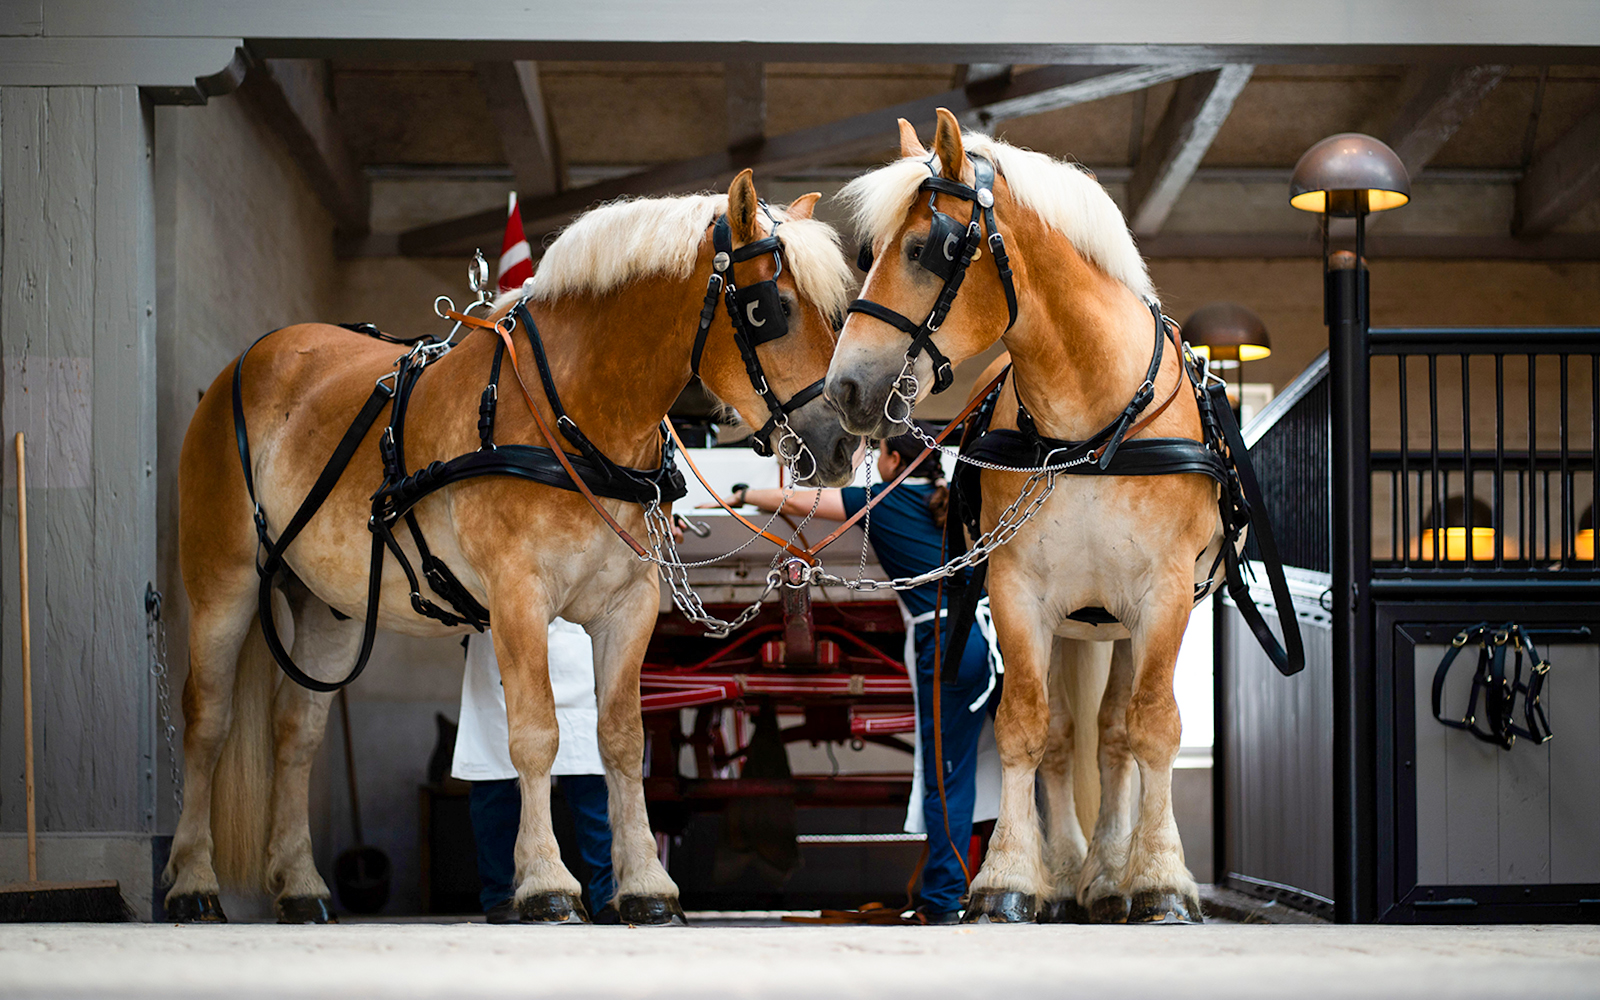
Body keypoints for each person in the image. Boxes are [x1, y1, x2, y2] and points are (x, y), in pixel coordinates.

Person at [703, 432, 1003, 923]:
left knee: (946, 779)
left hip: (947, 644)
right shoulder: (951, 501)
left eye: (880, 452)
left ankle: (945, 899)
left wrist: (740, 495)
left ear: (892, 459)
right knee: (1006, 761)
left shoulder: (879, 500)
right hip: (990, 640)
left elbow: (799, 501)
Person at [451, 619, 618, 924]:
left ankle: (607, 896)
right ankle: (503, 894)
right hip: (501, 639)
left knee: (591, 780)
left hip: (576, 644)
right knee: (497, 776)